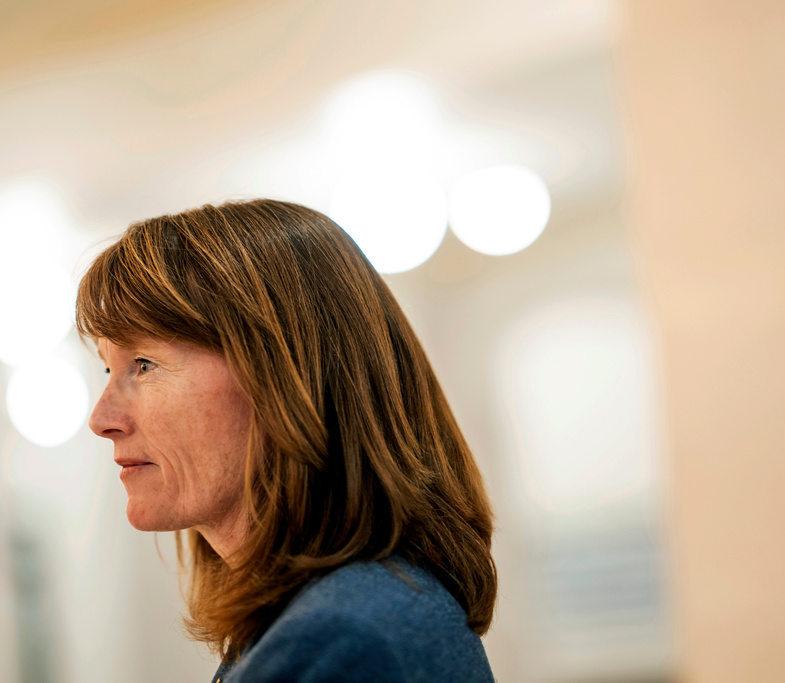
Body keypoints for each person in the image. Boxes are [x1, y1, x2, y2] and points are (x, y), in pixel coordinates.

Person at [77, 199, 497, 682]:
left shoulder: (337, 641)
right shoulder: (363, 606)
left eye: (144, 365)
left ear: (287, 377)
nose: (101, 419)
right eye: (108, 369)